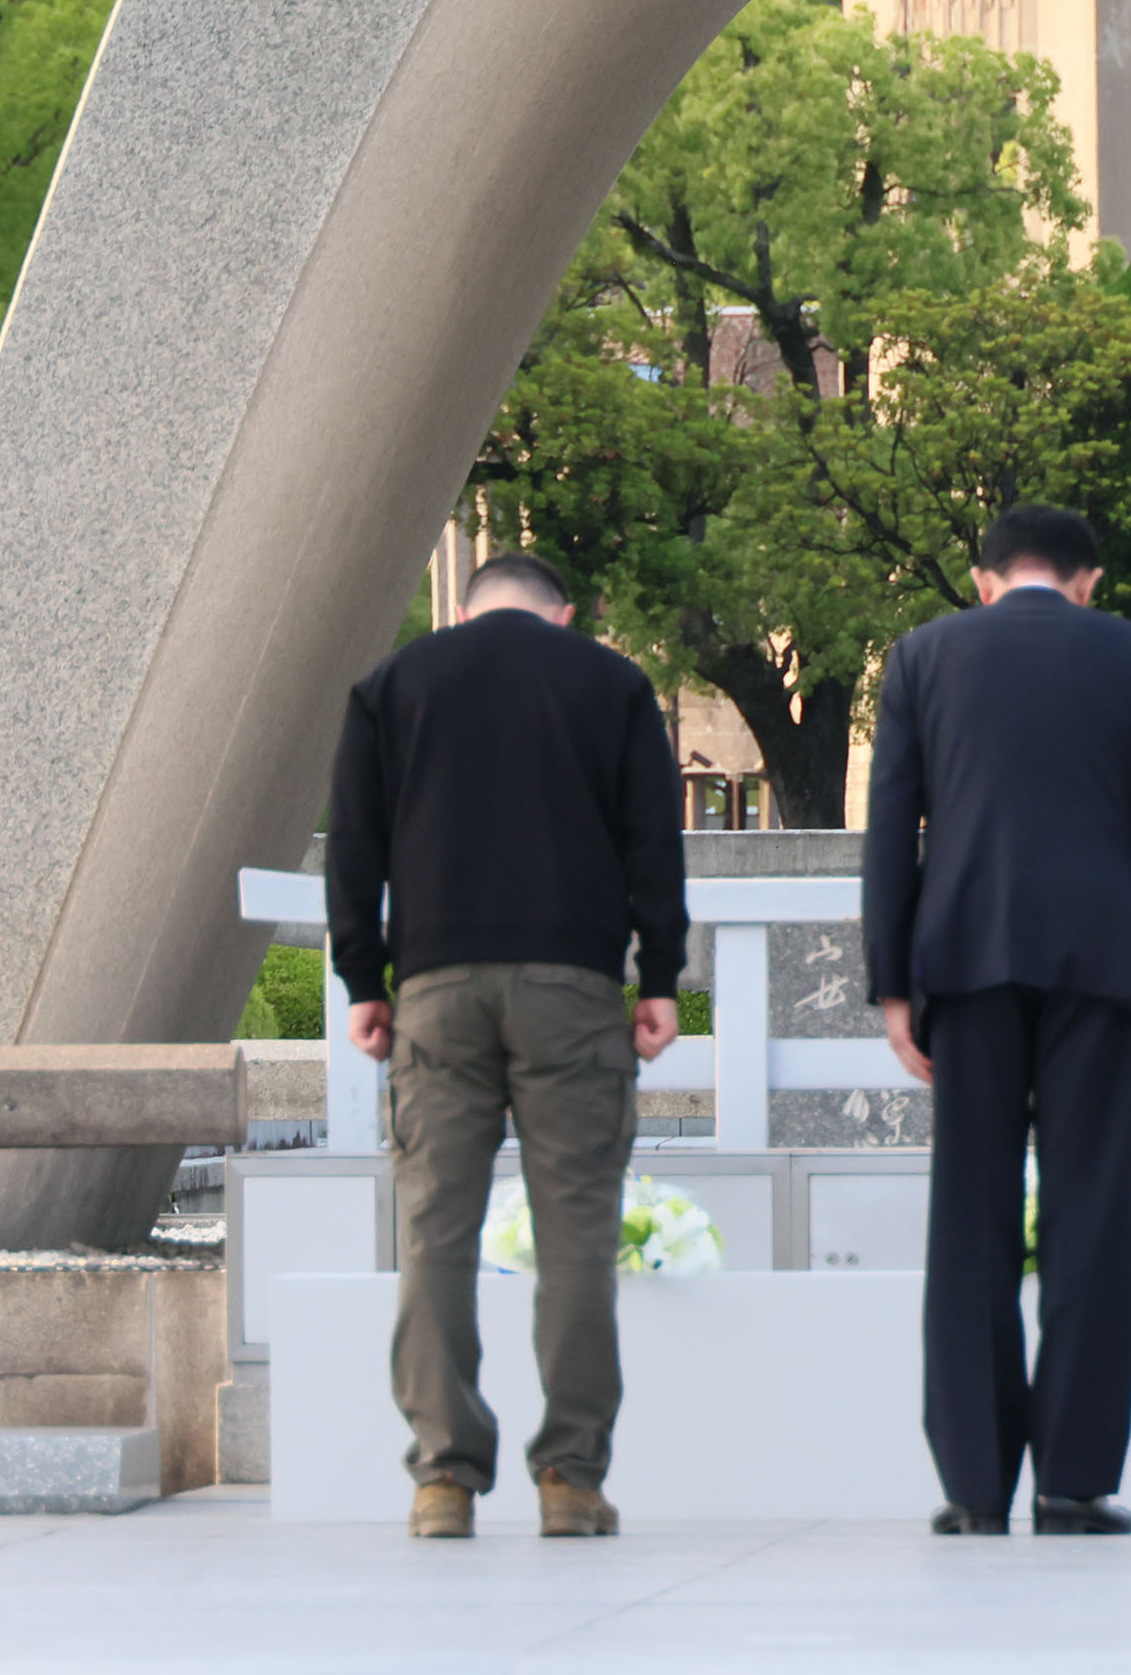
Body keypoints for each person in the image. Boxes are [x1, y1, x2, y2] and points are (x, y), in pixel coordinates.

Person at [863, 502, 1131, 1538]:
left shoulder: (923, 656)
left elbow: (893, 827)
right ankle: (1072, 1481)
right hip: (1101, 963)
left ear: (984, 576)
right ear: (1086, 577)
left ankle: (974, 1485)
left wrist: (893, 983)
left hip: (963, 963)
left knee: (966, 1218)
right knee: (1090, 1217)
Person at [326, 549, 687, 1542]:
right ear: (562, 614)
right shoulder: (612, 682)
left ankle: (442, 1476)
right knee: (576, 1235)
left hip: (436, 988)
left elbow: (353, 839)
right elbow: (654, 837)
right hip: (571, 986)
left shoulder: (395, 683)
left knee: (435, 1230)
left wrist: (365, 978)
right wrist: (658, 975)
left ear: (459, 606)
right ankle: (570, 1475)